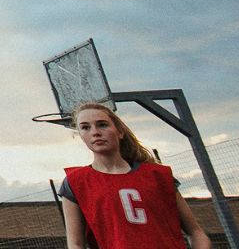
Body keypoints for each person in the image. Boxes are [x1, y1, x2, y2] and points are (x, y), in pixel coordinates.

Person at [60, 101, 209, 249]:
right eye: (85, 127)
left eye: (102, 125)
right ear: (80, 135)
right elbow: (76, 244)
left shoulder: (157, 175)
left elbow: (196, 232)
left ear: (120, 132)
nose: (95, 132)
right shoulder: (75, 182)